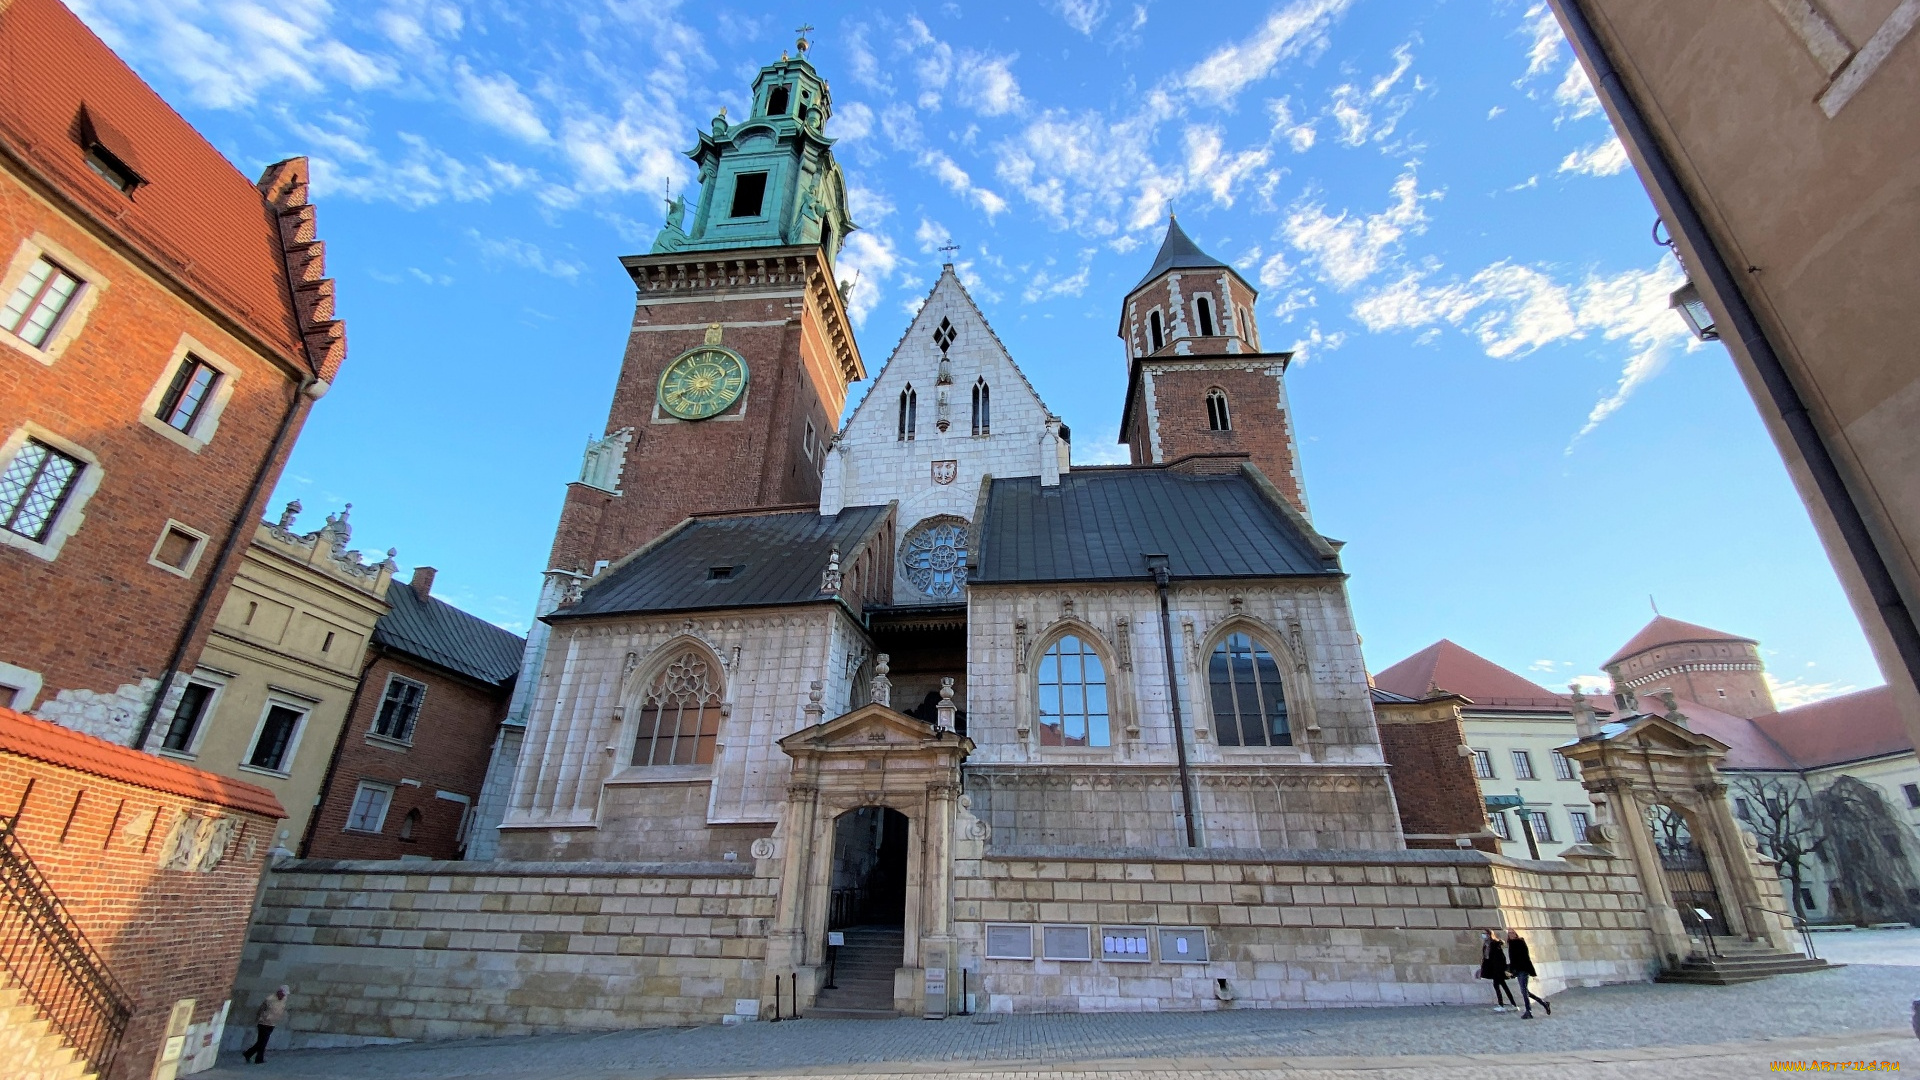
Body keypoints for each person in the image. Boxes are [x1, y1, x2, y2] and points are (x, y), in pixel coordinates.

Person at [1506, 930, 1552, 1018]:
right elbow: (1513, 959)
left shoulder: (1520, 942)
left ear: (1516, 934)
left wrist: (1530, 971)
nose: (1510, 934)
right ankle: (1544, 1003)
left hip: (1524, 969)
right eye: (1509, 933)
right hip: (1518, 970)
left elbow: (1525, 957)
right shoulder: (1511, 944)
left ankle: (1528, 1011)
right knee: (1525, 991)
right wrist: (1512, 970)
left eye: (1512, 932)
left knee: (1524, 991)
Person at [240, 986, 289, 1064]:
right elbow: (261, 1009)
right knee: (263, 1041)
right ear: (279, 992)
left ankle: (249, 1054)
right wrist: (259, 1019)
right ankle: (257, 1058)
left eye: (284, 994)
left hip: (272, 1023)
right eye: (282, 994)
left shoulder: (283, 1000)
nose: (283, 996)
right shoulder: (269, 999)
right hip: (264, 1022)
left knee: (261, 1042)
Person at [1479, 929, 1517, 1011]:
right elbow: (1486, 958)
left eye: (1484, 934)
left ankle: (1502, 1005)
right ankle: (1513, 1004)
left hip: (1497, 969)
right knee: (1503, 986)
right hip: (1492, 969)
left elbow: (1501, 957)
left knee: (1497, 985)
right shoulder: (1486, 944)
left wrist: (1501, 968)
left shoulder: (1495, 944)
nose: (1483, 935)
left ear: (1489, 934)